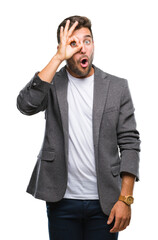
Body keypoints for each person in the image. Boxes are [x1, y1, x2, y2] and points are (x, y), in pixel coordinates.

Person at [17, 15, 141, 240]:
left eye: (87, 40)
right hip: (61, 200)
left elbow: (130, 143)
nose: (82, 49)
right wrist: (57, 58)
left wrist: (125, 199)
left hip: (106, 202)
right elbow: (26, 105)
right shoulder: (51, 84)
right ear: (62, 48)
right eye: (73, 43)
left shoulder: (117, 87)